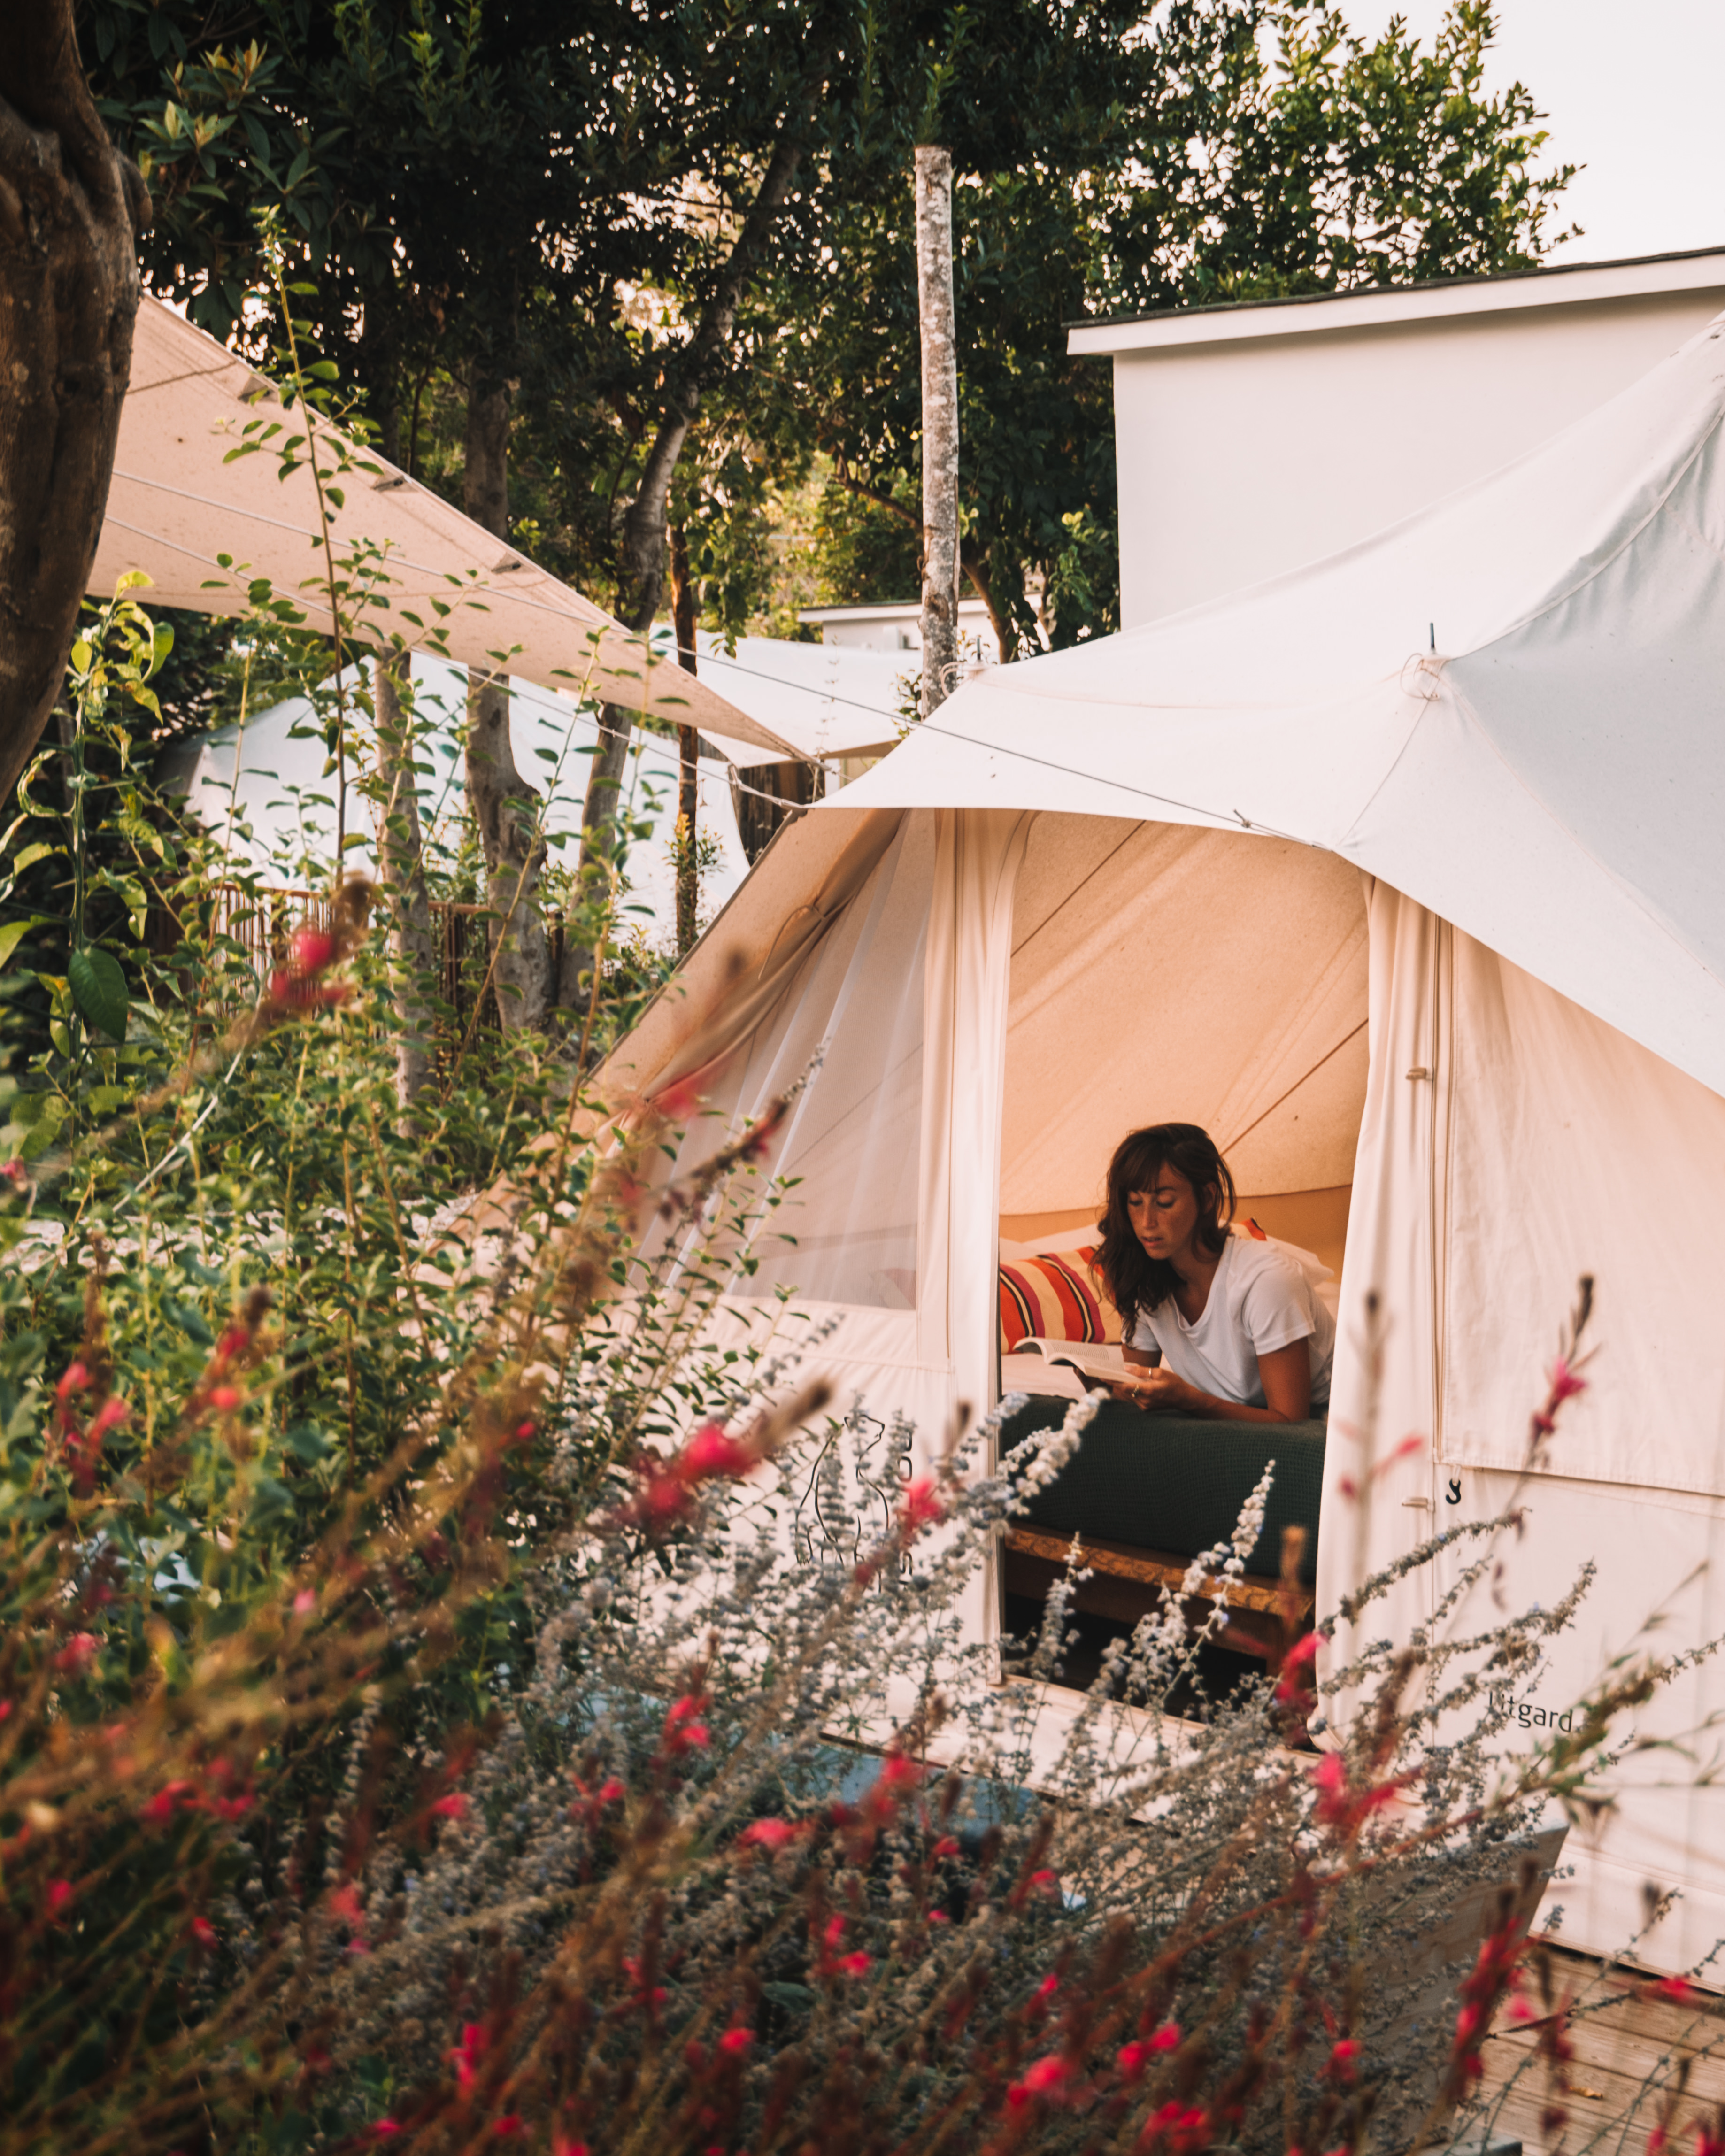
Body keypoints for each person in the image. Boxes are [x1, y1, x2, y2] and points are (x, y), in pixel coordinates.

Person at [1092, 1123, 1333, 1424]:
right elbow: (1134, 1390)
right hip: (1242, 1428)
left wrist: (1191, 1401)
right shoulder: (1147, 1281)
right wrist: (1101, 1386)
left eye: (1164, 1203)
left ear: (1206, 1198)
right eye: (1135, 1202)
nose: (1146, 1222)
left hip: (1333, 1427)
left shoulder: (1265, 1280)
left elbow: (1291, 1424)